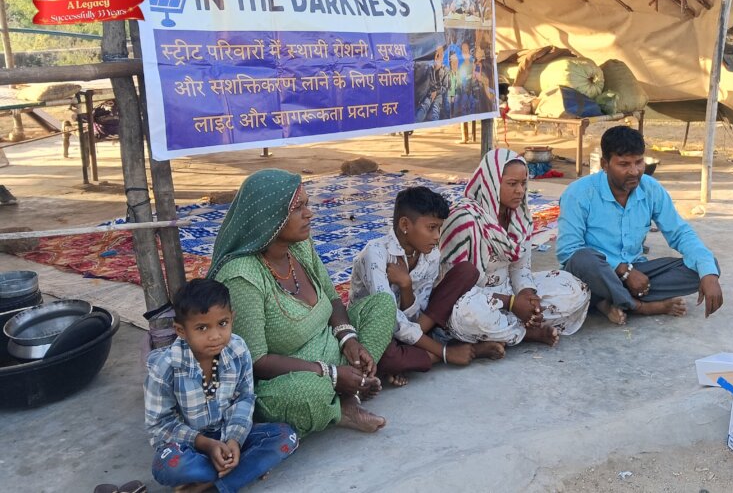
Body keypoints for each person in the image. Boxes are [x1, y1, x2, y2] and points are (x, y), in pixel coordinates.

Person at [209, 169, 397, 437]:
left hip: (332, 349)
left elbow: (333, 298)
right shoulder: (242, 276)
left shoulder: (300, 247)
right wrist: (331, 374)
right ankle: (342, 405)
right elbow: (257, 361)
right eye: (298, 208)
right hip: (286, 377)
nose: (309, 214)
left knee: (382, 305)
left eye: (307, 205)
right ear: (270, 217)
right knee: (306, 393)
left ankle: (350, 387)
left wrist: (350, 340)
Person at [557, 126, 723, 325]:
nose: (634, 171)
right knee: (582, 259)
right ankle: (640, 306)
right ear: (604, 164)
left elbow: (680, 233)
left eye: (639, 162)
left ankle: (605, 300)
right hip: (594, 273)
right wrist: (623, 270)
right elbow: (568, 251)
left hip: (637, 271)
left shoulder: (651, 188)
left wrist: (709, 274)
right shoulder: (578, 193)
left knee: (706, 265)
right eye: (624, 164)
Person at [145, 279, 297, 493]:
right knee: (168, 466)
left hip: (229, 435)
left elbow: (244, 398)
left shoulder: (237, 349)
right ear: (181, 330)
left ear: (232, 318)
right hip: (191, 446)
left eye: (223, 323)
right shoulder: (165, 367)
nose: (215, 336)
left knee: (287, 437)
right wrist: (206, 444)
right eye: (202, 328)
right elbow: (159, 424)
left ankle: (211, 485)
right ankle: (243, 470)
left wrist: (234, 440)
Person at [349, 186, 505, 386]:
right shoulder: (376, 254)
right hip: (376, 330)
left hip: (415, 327)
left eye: (439, 228)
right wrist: (445, 353)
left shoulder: (430, 255)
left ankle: (414, 357)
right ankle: (460, 351)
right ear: (405, 225)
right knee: (387, 358)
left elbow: (419, 316)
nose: (437, 236)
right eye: (431, 228)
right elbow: (392, 321)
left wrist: (406, 286)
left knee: (467, 271)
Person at [440, 149, 590, 346]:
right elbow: (453, 287)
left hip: (510, 291)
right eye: (512, 184)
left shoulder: (520, 217)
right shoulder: (463, 219)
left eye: (523, 183)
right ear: (492, 183)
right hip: (474, 298)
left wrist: (528, 295)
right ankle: (526, 333)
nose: (520, 190)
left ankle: (512, 327)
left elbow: (520, 267)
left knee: (574, 288)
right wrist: (510, 303)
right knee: (469, 315)